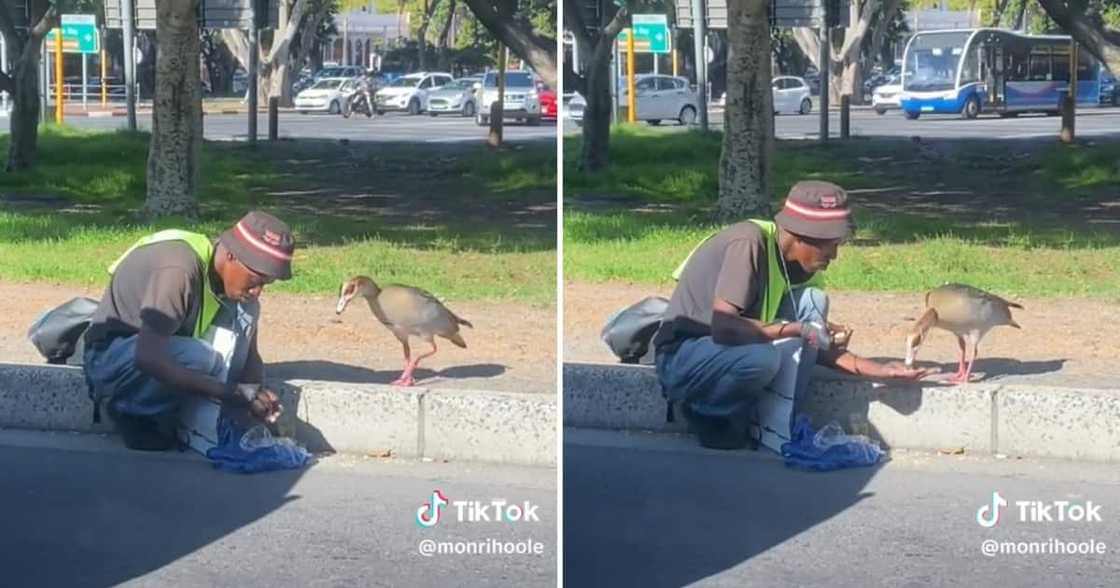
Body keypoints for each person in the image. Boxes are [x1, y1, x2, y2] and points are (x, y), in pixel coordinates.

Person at [653, 181, 935, 451]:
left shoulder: (793, 264)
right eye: (829, 244)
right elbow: (724, 327)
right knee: (762, 358)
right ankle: (707, 412)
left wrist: (879, 370)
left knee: (814, 299)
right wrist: (795, 329)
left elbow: (813, 342)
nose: (834, 255)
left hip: (727, 351)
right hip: (682, 359)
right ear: (800, 235)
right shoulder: (748, 242)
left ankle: (782, 422)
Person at [83, 211, 294, 451]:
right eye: (256, 279)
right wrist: (228, 392)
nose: (258, 291)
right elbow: (148, 358)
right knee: (198, 356)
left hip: (165, 346)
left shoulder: (228, 280)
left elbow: (251, 358)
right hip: (110, 357)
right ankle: (133, 413)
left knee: (247, 309)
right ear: (231, 255)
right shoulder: (179, 270)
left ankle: (212, 417)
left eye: (266, 284)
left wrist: (256, 396)